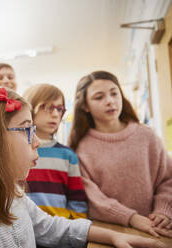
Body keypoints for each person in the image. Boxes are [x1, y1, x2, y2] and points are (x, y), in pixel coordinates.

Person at [0, 87, 167, 248]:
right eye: (26, 129)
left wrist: (112, 236)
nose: (36, 141)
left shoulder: (12, 195)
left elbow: (50, 227)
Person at [68, 70, 172, 238]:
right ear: (85, 106)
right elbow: (93, 198)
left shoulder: (147, 136)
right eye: (99, 97)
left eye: (114, 93)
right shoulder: (81, 149)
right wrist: (131, 218)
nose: (110, 101)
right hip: (110, 232)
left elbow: (168, 179)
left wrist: (163, 211)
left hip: (158, 228)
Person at [23, 84, 87, 220]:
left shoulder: (68, 155)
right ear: (29, 108)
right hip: (25, 229)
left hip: (62, 232)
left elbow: (78, 201)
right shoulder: (19, 152)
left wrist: (72, 223)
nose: (55, 114)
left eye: (60, 109)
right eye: (48, 107)